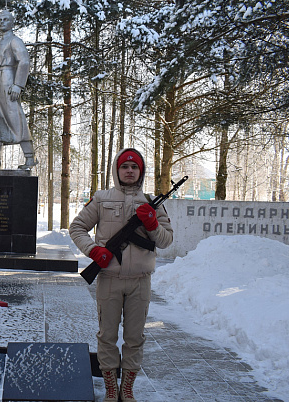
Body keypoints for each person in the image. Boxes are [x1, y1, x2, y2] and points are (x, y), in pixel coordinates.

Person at [69, 148, 173, 402]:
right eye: (124, 167)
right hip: (109, 280)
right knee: (107, 336)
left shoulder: (151, 202)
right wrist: (94, 250)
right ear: (117, 170)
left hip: (140, 282)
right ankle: (111, 389)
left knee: (135, 337)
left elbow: (166, 241)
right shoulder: (102, 199)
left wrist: (152, 224)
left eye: (134, 167)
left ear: (141, 171)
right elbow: (77, 227)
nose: (129, 171)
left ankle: (127, 389)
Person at [0, 10, 36, 170]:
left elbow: (24, 62)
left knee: (15, 117)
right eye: (0, 20)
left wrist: (18, 85)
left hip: (9, 80)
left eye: (6, 19)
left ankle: (30, 158)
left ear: (12, 23)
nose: (2, 22)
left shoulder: (15, 41)